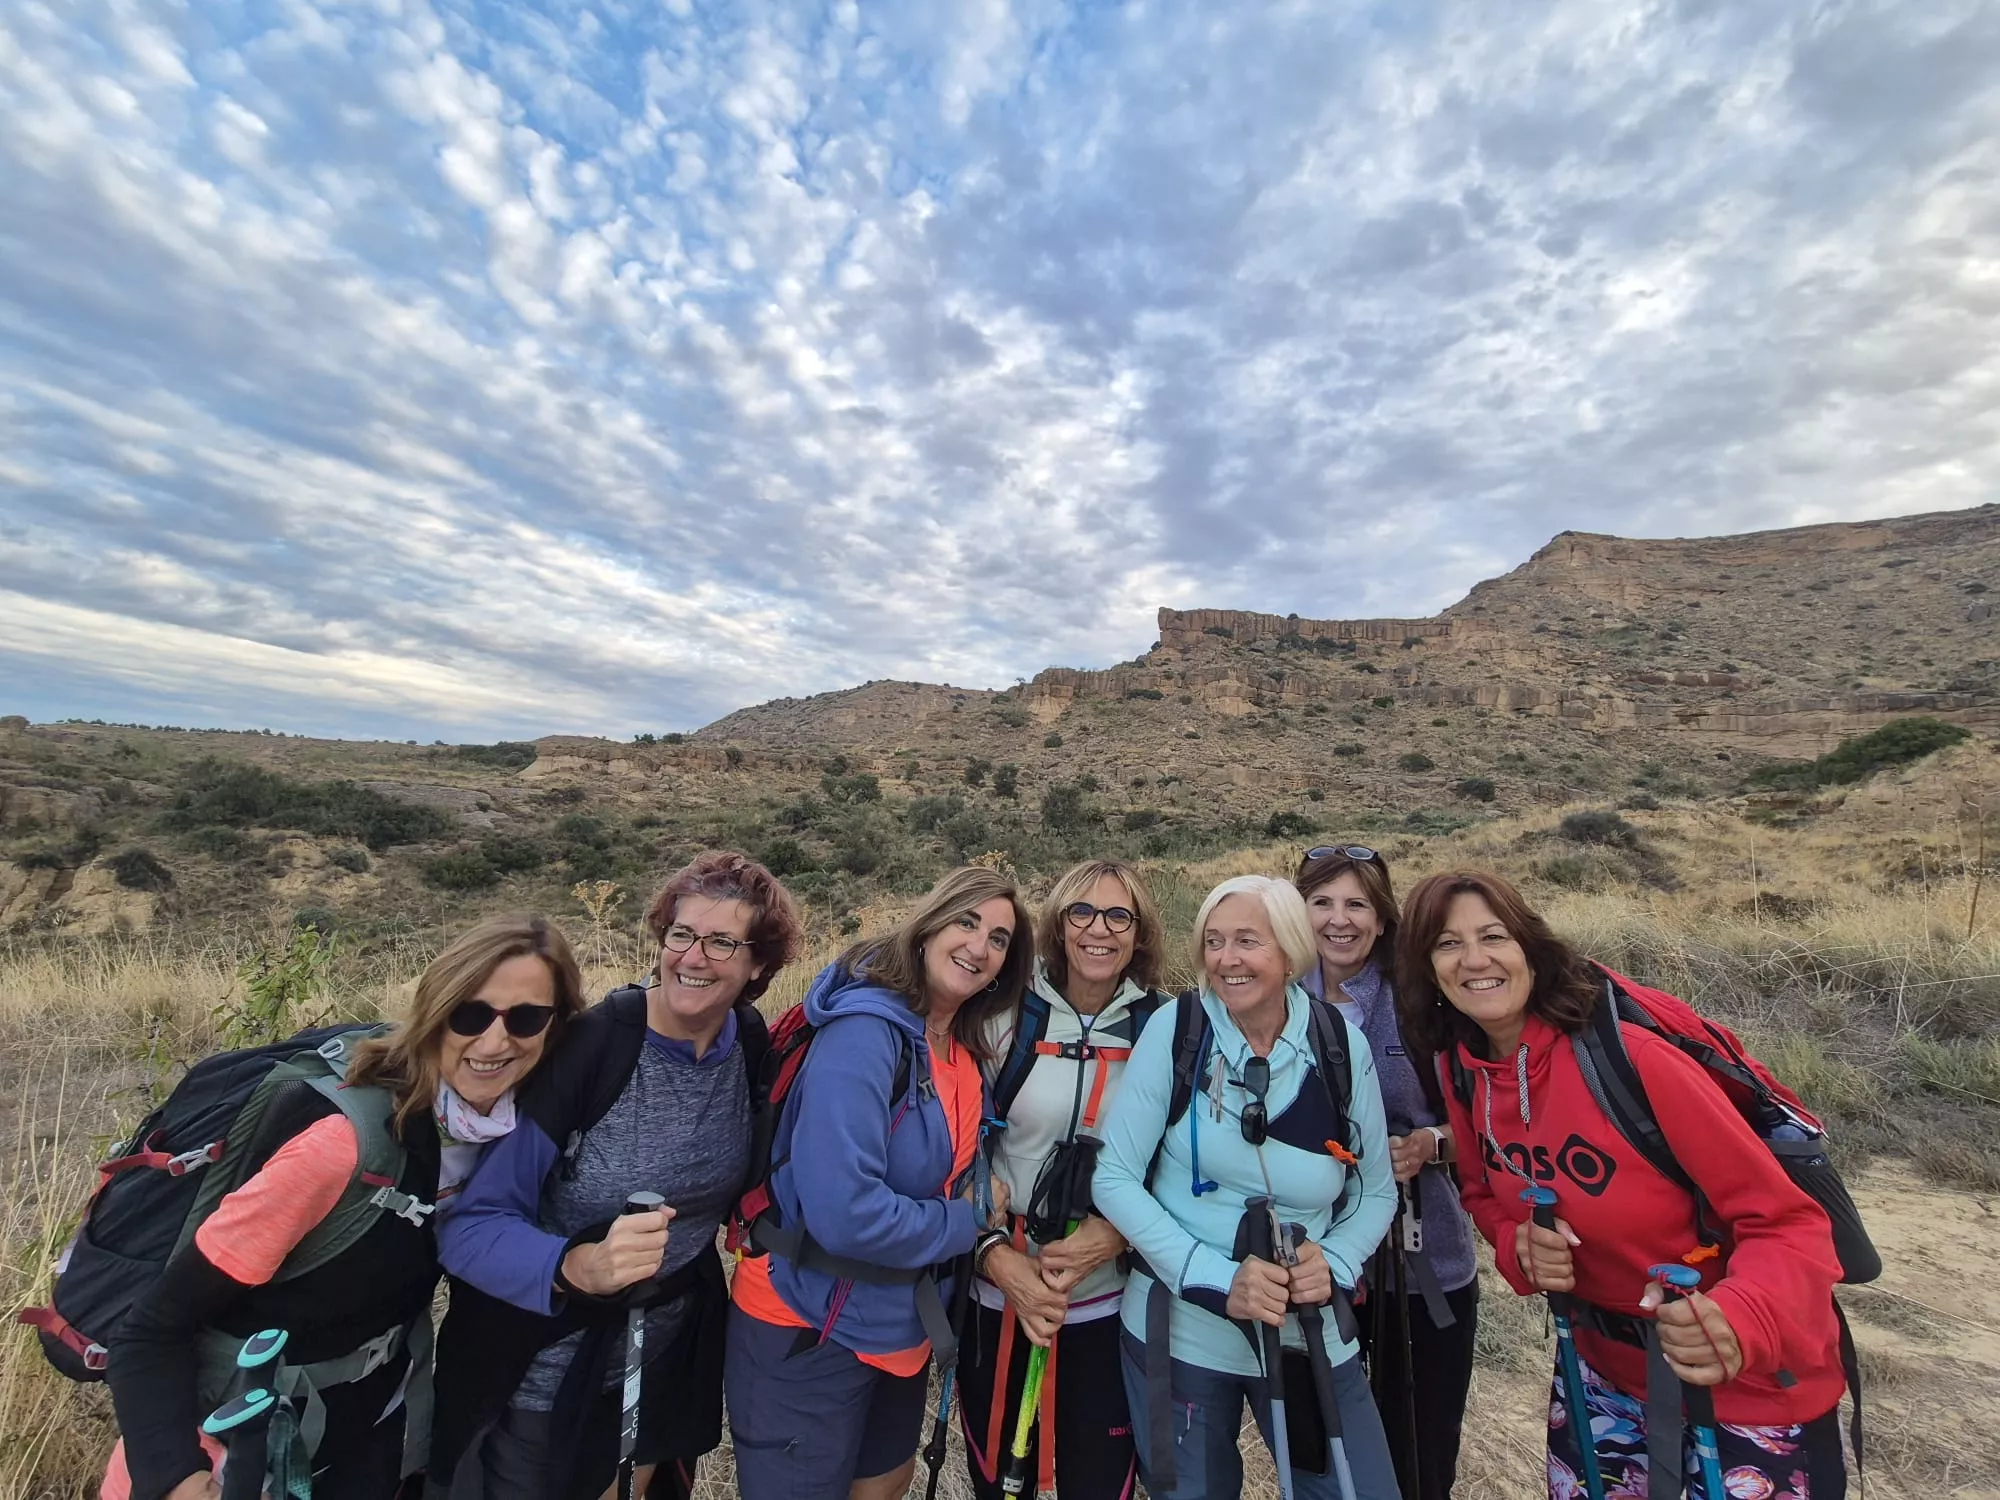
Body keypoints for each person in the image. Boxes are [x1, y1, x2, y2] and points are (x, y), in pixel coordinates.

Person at [1395, 870, 1849, 1499]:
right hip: (1598, 1377)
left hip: (1743, 1386)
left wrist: (1740, 1318)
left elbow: (1789, 1222)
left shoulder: (1633, 1060)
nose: (1475, 960)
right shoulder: (1460, 1069)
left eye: (1493, 935)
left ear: (1530, 946)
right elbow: (1479, 1193)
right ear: (1426, 968)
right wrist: (1518, 1245)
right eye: (1447, 944)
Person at [104, 913, 585, 1500]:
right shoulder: (342, 1148)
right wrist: (177, 1478)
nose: (494, 1041)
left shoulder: (497, 1135)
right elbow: (152, 1330)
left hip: (362, 1433)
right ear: (436, 1014)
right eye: (470, 1014)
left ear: (555, 1028)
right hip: (234, 1446)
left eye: (527, 1018)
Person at [431, 852, 803, 1500]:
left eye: (722, 942)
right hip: (543, 1371)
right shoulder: (593, 1049)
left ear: (759, 966)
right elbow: (470, 1226)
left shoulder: (744, 1041)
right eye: (681, 934)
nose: (693, 957)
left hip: (664, 1359)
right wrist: (574, 1266)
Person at [725, 864, 1032, 1500]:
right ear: (927, 927)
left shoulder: (960, 1047)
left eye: (999, 939)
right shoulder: (866, 1035)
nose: (979, 946)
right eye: (966, 921)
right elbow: (847, 1214)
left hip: (897, 1321)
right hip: (807, 1319)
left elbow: (949, 1167)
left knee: (884, 1485)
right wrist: (971, 1218)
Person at [1093, 875, 1400, 1500]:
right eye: (1213, 941)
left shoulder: (1339, 1046)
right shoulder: (1178, 1033)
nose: (1226, 960)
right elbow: (1114, 1176)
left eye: (1247, 942)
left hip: (1308, 1330)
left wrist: (1335, 1263)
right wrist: (1213, 1275)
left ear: (1289, 951)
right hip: (1181, 1332)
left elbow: (1374, 1192)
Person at [960, 859, 1166, 1500]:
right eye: (1081, 912)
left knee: (1100, 1481)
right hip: (1000, 1295)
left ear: (1138, 934)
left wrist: (1120, 1234)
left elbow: (1188, 1159)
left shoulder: (1165, 1030)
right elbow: (957, 1150)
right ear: (1058, 924)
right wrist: (995, 1258)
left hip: (1109, 1303)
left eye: (1117, 916)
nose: (1097, 930)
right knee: (1000, 1480)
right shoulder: (1000, 1021)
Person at [1294, 845, 1477, 1500]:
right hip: (1312, 1263)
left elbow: (1489, 1127)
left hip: (1422, 1259)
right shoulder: (1274, 995)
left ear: (1381, 916)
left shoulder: (1423, 998)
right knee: (1322, 1442)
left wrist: (1428, 1144)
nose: (1339, 921)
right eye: (1322, 902)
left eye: (1357, 904)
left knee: (1419, 1448)